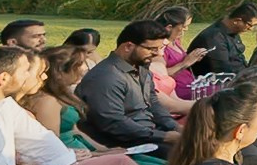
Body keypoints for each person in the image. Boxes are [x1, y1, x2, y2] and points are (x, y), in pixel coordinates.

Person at [74, 22, 183, 152]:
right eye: (152, 49)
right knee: (189, 155)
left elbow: (152, 102)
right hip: (122, 143)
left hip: (147, 134)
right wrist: (164, 136)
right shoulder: (106, 77)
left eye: (160, 48)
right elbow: (113, 123)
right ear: (128, 46)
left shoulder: (141, 67)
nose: (159, 54)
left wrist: (174, 127)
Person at [185, 4, 257, 80]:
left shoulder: (232, 32)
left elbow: (239, 60)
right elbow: (223, 72)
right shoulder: (214, 38)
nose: (251, 29)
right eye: (250, 25)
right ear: (237, 21)